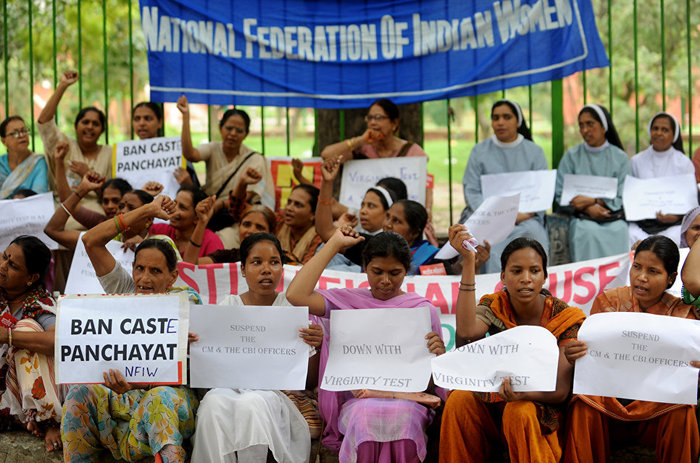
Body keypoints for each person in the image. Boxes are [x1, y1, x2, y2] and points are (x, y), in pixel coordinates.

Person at [286, 228, 446, 462]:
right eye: (377, 271)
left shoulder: (422, 310)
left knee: (403, 418)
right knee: (364, 416)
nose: (385, 281)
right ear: (364, 267)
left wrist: (438, 356)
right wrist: (334, 244)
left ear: (407, 270)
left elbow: (430, 383)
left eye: (395, 273)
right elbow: (296, 295)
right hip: (357, 402)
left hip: (409, 403)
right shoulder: (347, 302)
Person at [61, 196, 200, 463]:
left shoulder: (187, 303)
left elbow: (193, 372)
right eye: (139, 268)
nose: (144, 278)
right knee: (79, 392)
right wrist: (148, 210)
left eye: (155, 271)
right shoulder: (126, 290)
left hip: (168, 399)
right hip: (122, 398)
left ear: (172, 277)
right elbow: (90, 240)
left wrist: (141, 380)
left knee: (158, 398)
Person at [440, 232, 586, 463]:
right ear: (503, 277)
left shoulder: (564, 317)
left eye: (534, 271)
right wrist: (469, 262)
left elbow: (559, 391)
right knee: (460, 400)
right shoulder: (495, 305)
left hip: (538, 410)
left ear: (544, 277)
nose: (526, 279)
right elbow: (467, 332)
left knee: (519, 410)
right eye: (516, 271)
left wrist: (522, 394)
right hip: (494, 402)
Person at [565, 235, 699, 462]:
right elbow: (593, 363)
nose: (641, 277)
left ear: (671, 278)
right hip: (610, 403)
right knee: (584, 400)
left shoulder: (683, 316)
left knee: (683, 408)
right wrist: (574, 355)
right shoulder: (608, 302)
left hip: (657, 408)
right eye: (637, 267)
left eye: (653, 271)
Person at [192, 233, 323, 462]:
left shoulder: (291, 311)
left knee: (252, 404)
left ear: (282, 268)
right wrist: (195, 346)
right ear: (243, 270)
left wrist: (316, 346)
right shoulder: (228, 307)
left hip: (275, 396)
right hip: (229, 389)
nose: (266, 270)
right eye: (256, 262)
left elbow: (308, 381)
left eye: (274, 262)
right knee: (213, 404)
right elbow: (211, 368)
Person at [461, 99, 550, 274]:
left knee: (534, 234)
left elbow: (540, 192)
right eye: (495, 118)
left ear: (518, 121)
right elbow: (471, 189)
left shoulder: (535, 152)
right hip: (487, 218)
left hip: (525, 217)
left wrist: (522, 215)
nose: (500, 122)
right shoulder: (479, 151)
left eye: (507, 117)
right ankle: (492, 289)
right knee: (487, 241)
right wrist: (497, 215)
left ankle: (531, 284)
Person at [0, 236, 61, 452]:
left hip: (15, 389)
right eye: (4, 257)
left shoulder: (39, 304)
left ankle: (48, 419)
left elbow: (55, 340)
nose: (3, 266)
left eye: (13, 266)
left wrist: (8, 336)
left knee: (26, 329)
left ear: (31, 278)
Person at [555, 104, 630, 261]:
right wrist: (588, 208)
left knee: (619, 230)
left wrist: (594, 201)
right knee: (585, 231)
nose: (585, 130)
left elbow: (624, 193)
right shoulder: (571, 156)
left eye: (590, 124)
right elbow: (560, 192)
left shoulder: (620, 158)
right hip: (582, 217)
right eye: (581, 125)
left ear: (604, 127)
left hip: (612, 217)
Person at [177, 95, 273, 206]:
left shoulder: (255, 159)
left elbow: (248, 196)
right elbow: (190, 155)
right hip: (209, 209)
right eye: (229, 128)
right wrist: (185, 116)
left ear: (246, 134)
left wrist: (219, 205)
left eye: (239, 130)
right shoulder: (212, 148)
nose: (233, 133)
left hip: (236, 211)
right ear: (220, 128)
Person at [37, 70, 112, 213]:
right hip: (62, 209)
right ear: (76, 127)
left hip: (99, 210)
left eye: (95, 124)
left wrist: (87, 173)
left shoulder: (110, 153)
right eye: (85, 122)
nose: (90, 127)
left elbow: (115, 194)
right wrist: (63, 85)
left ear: (102, 130)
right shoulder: (64, 145)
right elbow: (44, 122)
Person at [628, 112, 694, 247]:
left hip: (673, 225)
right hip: (641, 223)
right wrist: (638, 211)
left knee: (676, 236)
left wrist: (676, 216)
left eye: (665, 130)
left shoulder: (684, 163)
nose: (659, 133)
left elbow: (690, 201)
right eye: (655, 128)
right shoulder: (636, 161)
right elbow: (630, 195)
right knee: (629, 233)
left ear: (674, 136)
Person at [44, 170, 153, 251]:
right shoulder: (101, 238)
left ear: (149, 219)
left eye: (131, 208)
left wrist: (145, 246)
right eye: (120, 206)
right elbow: (52, 230)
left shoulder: (159, 241)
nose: (122, 212)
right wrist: (82, 190)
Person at [320, 99, 427, 163]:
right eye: (370, 118)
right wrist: (359, 141)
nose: (372, 122)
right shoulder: (361, 151)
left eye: (378, 117)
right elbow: (326, 155)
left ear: (394, 123)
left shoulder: (411, 152)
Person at [132, 101, 199, 188]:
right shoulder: (126, 155)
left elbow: (197, 190)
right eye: (137, 119)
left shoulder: (177, 151)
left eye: (147, 118)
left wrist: (189, 184)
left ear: (160, 122)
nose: (141, 123)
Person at [149, 186, 224, 258]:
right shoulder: (159, 230)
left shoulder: (211, 241)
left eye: (182, 207)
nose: (174, 210)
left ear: (197, 218)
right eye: (174, 203)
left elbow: (190, 264)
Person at [0, 116, 49, 199]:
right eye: (14, 133)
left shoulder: (37, 162)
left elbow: (38, 196)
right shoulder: (1, 164)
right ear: (4, 141)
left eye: (24, 131)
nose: (21, 135)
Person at [276, 184, 323, 265]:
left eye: (298, 205)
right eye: (289, 202)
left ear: (313, 214)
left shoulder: (319, 239)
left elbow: (307, 268)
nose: (289, 208)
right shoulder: (278, 223)